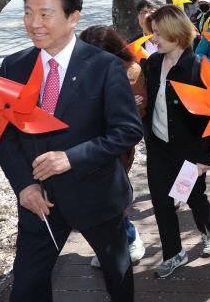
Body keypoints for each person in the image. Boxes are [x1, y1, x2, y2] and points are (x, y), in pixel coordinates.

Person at [0, 0, 143, 301]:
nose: (34, 23)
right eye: (28, 12)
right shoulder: (14, 65)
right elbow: (1, 133)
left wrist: (71, 158)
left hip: (97, 196)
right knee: (27, 287)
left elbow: (128, 131)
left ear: (73, 17)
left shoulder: (104, 67)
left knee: (118, 280)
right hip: (39, 200)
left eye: (46, 13)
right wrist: (24, 185)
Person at [143, 5, 210, 278]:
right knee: (162, 203)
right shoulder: (151, 64)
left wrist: (203, 158)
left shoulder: (199, 68)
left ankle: (208, 232)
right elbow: (150, 101)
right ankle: (174, 253)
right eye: (153, 33)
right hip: (159, 147)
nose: (154, 39)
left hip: (190, 150)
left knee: (195, 198)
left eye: (159, 34)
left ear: (176, 34)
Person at [79, 25, 148, 266]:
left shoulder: (132, 70)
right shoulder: (81, 69)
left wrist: (124, 101)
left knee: (111, 196)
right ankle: (110, 244)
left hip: (117, 145)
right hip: (88, 143)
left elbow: (136, 111)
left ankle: (129, 239)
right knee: (98, 197)